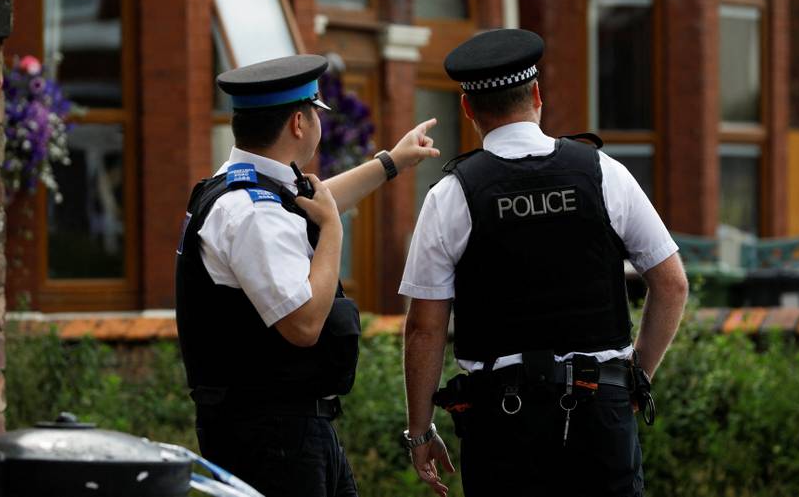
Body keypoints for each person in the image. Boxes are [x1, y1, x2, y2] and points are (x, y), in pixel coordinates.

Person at [400, 29, 689, 497]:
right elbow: (672, 284)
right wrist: (636, 378)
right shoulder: (604, 173)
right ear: (536, 95)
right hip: (601, 412)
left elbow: (425, 328)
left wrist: (420, 431)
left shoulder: (450, 196)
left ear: (468, 109)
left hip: (502, 424)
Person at [175, 54, 439, 497]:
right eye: (317, 112)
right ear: (299, 123)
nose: (319, 121)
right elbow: (304, 324)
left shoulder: (244, 186)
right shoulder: (253, 212)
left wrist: (393, 162)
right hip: (272, 435)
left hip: (282, 426)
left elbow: (312, 203)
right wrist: (334, 233)